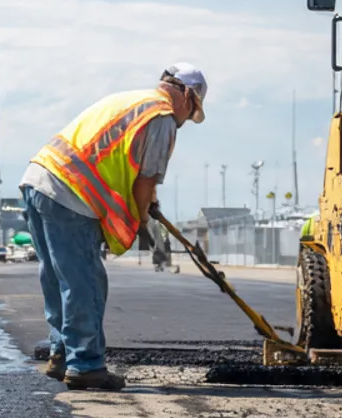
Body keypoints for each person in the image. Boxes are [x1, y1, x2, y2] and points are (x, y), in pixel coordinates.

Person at [20, 65, 207, 391]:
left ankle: (62, 353)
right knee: (86, 280)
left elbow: (127, 165)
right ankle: (86, 364)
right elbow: (144, 181)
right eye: (191, 113)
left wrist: (147, 203)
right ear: (187, 96)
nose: (186, 121)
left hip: (38, 179)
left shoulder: (133, 101)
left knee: (56, 276)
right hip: (70, 193)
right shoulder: (161, 116)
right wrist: (142, 218)